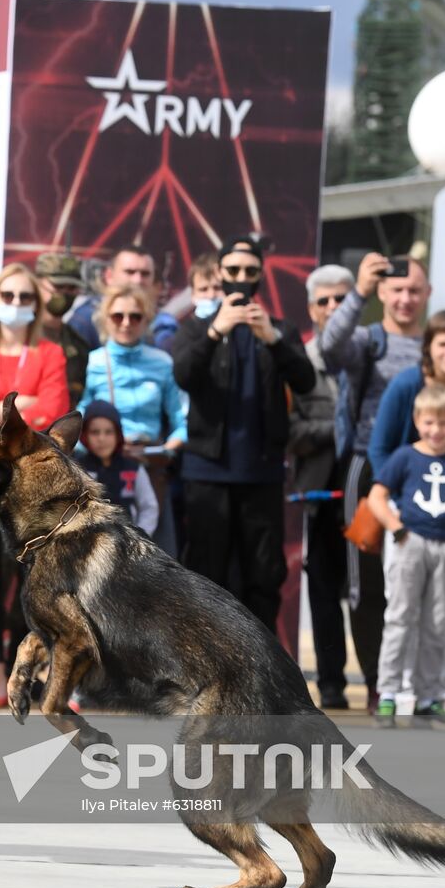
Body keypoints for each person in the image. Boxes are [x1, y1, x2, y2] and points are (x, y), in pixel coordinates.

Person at [172, 240, 315, 632]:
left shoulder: (279, 330)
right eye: (232, 271)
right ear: (219, 274)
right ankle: (205, 669)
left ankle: (262, 674)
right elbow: (183, 374)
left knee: (264, 577)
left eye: (249, 272)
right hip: (207, 472)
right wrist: (216, 332)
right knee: (205, 576)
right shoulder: (198, 327)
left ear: (260, 275)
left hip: (261, 473)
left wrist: (272, 338)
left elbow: (305, 381)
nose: (240, 280)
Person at [0, 262, 70, 706]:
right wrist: (22, 412)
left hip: (32, 491)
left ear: (36, 306)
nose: (16, 305)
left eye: (25, 298)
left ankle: (29, 677)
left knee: (34, 584)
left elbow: (53, 411)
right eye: (8, 296)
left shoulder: (50, 355)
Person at [318, 251, 429, 710]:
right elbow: (329, 347)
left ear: (427, 295)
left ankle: (413, 683)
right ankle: (376, 682)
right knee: (366, 584)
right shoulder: (369, 339)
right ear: (383, 293)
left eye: (414, 291)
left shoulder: (435, 344)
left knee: (420, 582)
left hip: (423, 475)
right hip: (367, 469)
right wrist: (358, 290)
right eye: (396, 290)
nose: (405, 298)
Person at [369, 309, 445, 710]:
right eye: (443, 343)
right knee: (402, 608)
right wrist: (397, 512)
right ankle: (392, 688)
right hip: (408, 514)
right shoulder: (407, 384)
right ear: (429, 347)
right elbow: (381, 448)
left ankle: (437, 689)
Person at [288, 263, 355, 709]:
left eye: (341, 299)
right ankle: (332, 684)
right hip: (321, 489)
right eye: (324, 300)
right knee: (325, 588)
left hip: (368, 487)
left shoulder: (371, 355)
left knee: (373, 589)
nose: (332, 308)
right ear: (311, 308)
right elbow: (288, 430)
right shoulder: (299, 363)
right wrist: (340, 427)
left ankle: (385, 682)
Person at [77, 284, 186, 554]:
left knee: (159, 557)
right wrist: (95, 448)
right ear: (106, 320)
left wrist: (168, 449)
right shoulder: (94, 362)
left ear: (146, 320)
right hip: (104, 467)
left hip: (150, 465)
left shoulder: (162, 362)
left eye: (135, 316)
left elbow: (180, 420)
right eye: (118, 316)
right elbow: (79, 419)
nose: (126, 323)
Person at [67, 245, 175, 352]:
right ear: (109, 276)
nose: (137, 280)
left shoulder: (163, 323)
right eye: (130, 272)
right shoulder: (86, 318)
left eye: (145, 274)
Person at [75, 400, 159, 534]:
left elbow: (149, 507)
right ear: (85, 435)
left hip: (130, 543)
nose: (101, 438)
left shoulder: (133, 468)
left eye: (108, 432)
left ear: (118, 435)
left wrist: (142, 537)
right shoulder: (78, 470)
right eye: (95, 432)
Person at [35, 252, 90, 404]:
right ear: (37, 285)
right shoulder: (19, 337)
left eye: (71, 288)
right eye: (58, 286)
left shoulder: (79, 346)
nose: (65, 294)